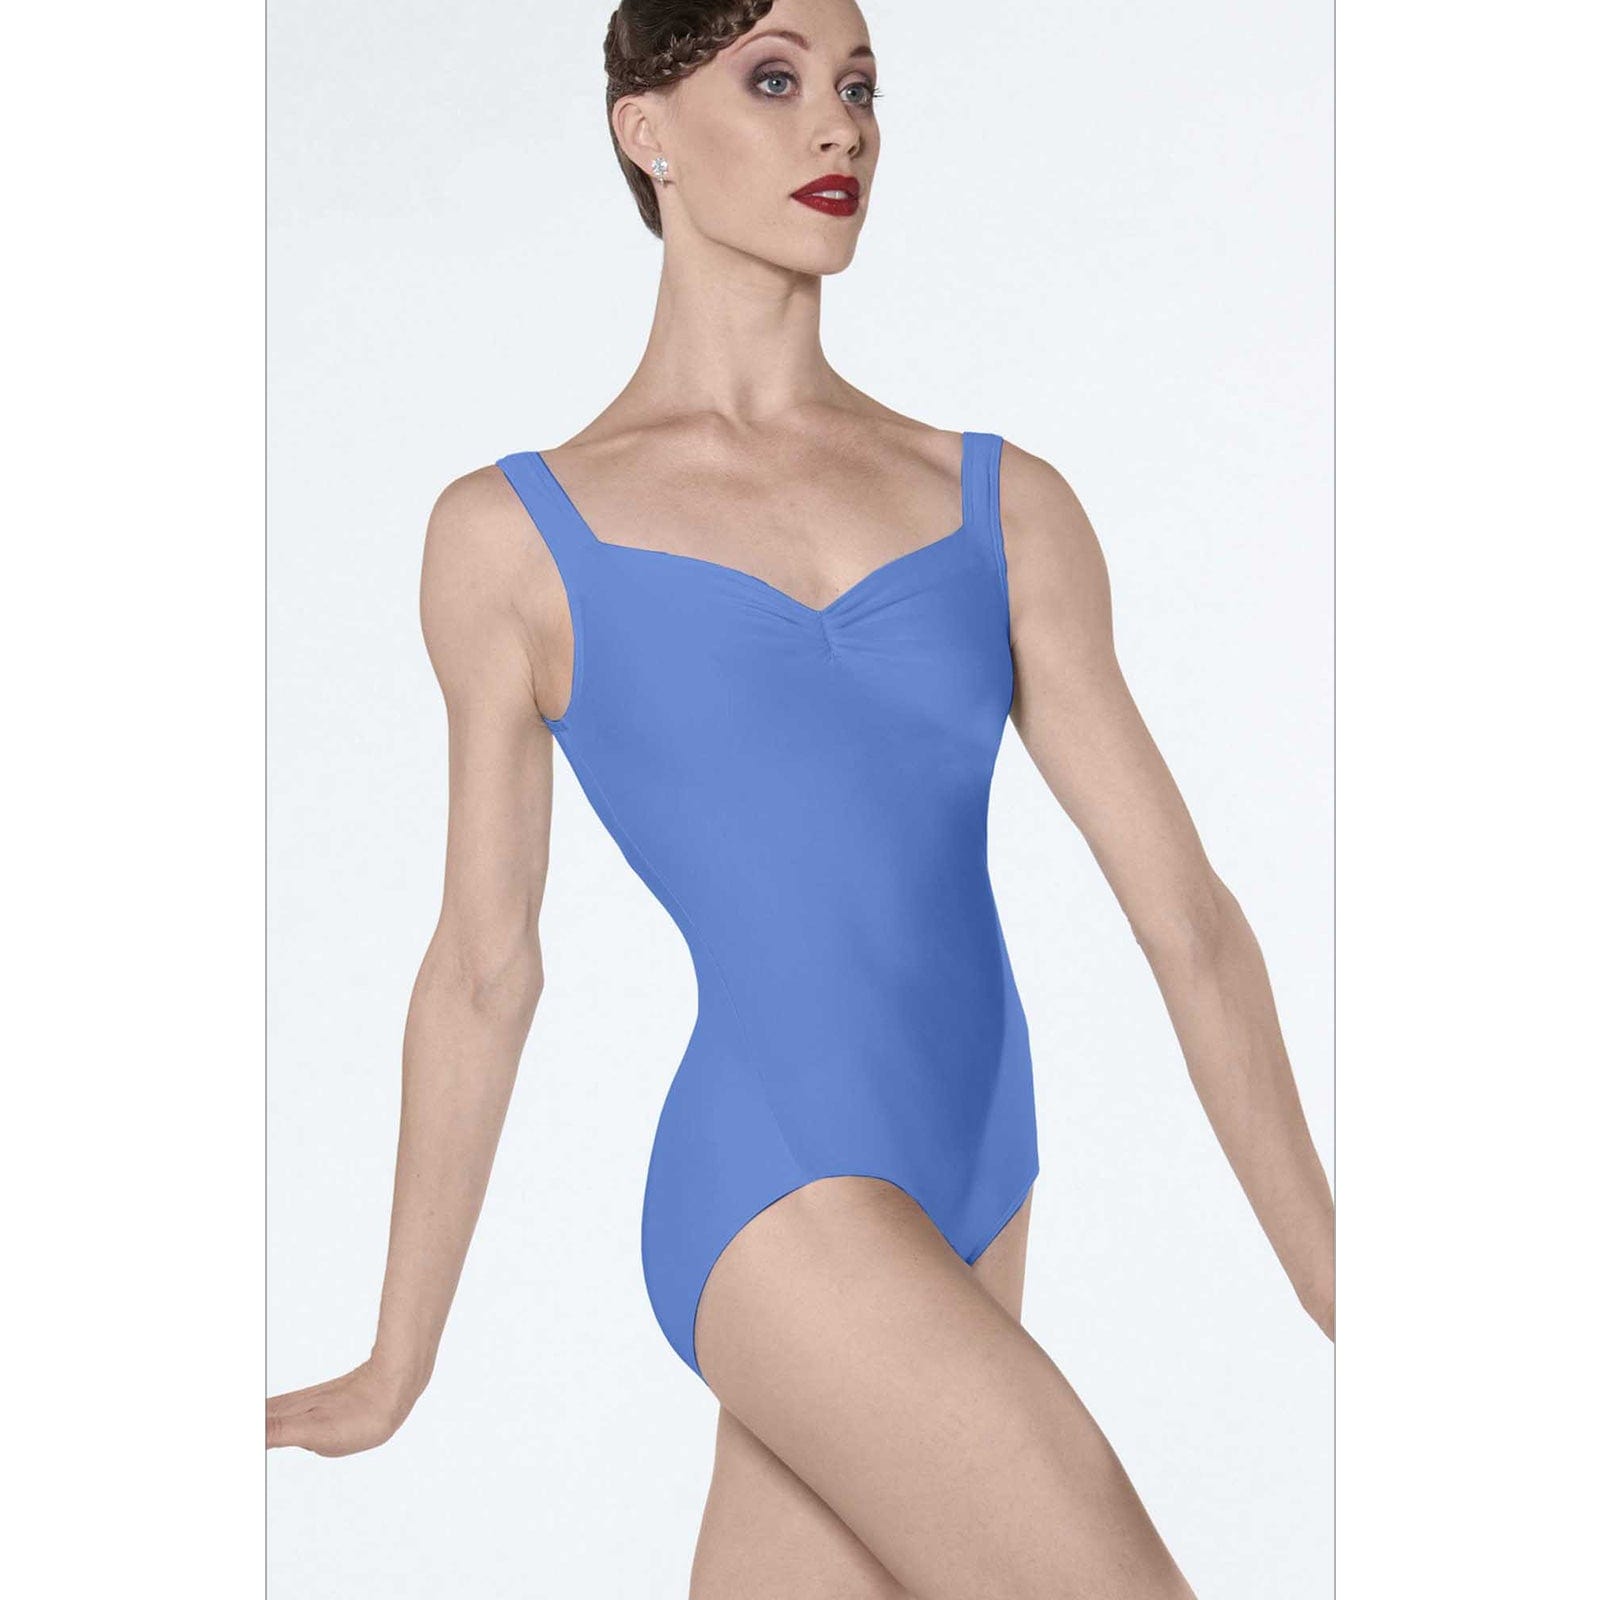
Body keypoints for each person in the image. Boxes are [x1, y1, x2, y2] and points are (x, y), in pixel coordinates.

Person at [268, 2, 1334, 1594]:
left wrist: (1335, 1273)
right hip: (774, 1185)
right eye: (772, 81)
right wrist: (397, 1357)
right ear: (645, 131)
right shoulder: (513, 539)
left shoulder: (1000, 506)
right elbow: (485, 968)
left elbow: (1187, 918)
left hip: (983, 1158)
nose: (838, 125)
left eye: (859, 87)